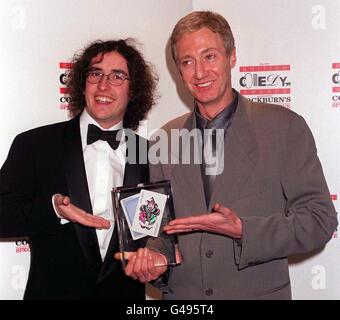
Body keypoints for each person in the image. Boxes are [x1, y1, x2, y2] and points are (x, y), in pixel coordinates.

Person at [149, 11, 338, 299]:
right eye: (188, 62)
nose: (199, 72)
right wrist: (156, 261)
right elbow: (160, 235)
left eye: (210, 56)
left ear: (232, 57)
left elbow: (319, 220)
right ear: (179, 70)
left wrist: (244, 230)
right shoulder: (164, 140)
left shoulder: (284, 127)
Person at [0, 39, 164, 299]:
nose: (103, 85)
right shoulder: (34, 145)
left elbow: (162, 235)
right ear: (82, 83)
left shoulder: (152, 155)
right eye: (95, 73)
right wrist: (54, 209)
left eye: (117, 76)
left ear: (134, 90)